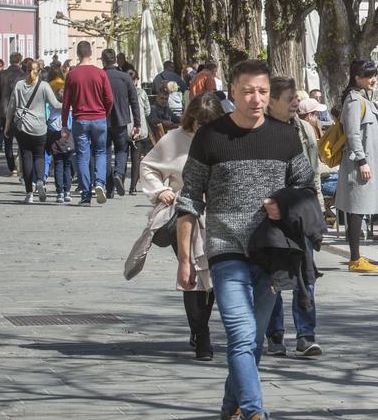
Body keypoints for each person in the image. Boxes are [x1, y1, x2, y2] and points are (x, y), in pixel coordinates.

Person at [175, 59, 314, 420]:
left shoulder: (285, 136)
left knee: (252, 340)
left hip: (271, 253)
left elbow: (306, 187)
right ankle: (255, 411)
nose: (256, 99)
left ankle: (229, 408)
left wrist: (281, 204)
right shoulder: (211, 136)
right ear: (232, 91)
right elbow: (189, 199)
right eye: (248, 91)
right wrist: (184, 260)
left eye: (263, 92)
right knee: (240, 333)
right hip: (226, 251)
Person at [139, 92, 224, 361]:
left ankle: (200, 326)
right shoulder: (174, 139)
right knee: (191, 273)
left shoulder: (226, 139)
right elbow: (149, 166)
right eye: (200, 123)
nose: (204, 129)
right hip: (185, 215)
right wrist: (160, 191)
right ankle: (201, 335)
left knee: (210, 277)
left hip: (217, 216)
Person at [264, 77, 324, 359]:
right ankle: (275, 335)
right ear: (271, 101)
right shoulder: (259, 131)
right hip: (269, 215)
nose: (296, 103)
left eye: (296, 98)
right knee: (273, 277)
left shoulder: (304, 129)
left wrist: (318, 210)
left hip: (299, 212)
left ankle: (305, 335)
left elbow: (312, 174)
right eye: (290, 98)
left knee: (305, 276)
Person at [333, 60, 378, 273]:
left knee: (359, 209)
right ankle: (355, 258)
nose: (373, 79)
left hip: (366, 160)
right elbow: (353, 133)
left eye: (374, 75)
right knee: (356, 209)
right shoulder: (354, 101)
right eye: (368, 75)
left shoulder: (362, 98)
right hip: (360, 163)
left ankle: (356, 257)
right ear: (357, 78)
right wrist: (362, 160)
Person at [61, 42, 114, 205]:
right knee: (100, 152)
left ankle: (85, 194)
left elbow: (66, 102)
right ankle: (99, 183)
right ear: (91, 53)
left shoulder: (72, 75)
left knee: (83, 156)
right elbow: (109, 98)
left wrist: (64, 124)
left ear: (77, 53)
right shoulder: (100, 73)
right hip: (99, 118)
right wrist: (105, 112)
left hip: (80, 119)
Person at [8, 60, 63, 204]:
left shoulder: (19, 85)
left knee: (26, 157)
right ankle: (40, 180)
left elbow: (11, 107)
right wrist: (69, 105)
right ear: (39, 71)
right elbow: (55, 105)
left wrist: (7, 126)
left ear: (26, 70)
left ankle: (29, 193)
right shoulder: (44, 86)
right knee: (39, 156)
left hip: (22, 127)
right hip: (40, 128)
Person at [102, 48, 143, 198]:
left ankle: (109, 187)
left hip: (103, 121)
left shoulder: (100, 76)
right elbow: (134, 102)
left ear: (103, 60)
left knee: (105, 152)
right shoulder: (125, 77)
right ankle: (119, 174)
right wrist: (137, 124)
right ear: (115, 60)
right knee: (121, 150)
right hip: (121, 120)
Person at [0, 52, 26, 176]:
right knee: (22, 141)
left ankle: (12, 168)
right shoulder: (23, 75)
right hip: (19, 113)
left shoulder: (2, 75)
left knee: (7, 141)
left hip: (4, 112)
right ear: (20, 61)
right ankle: (21, 167)